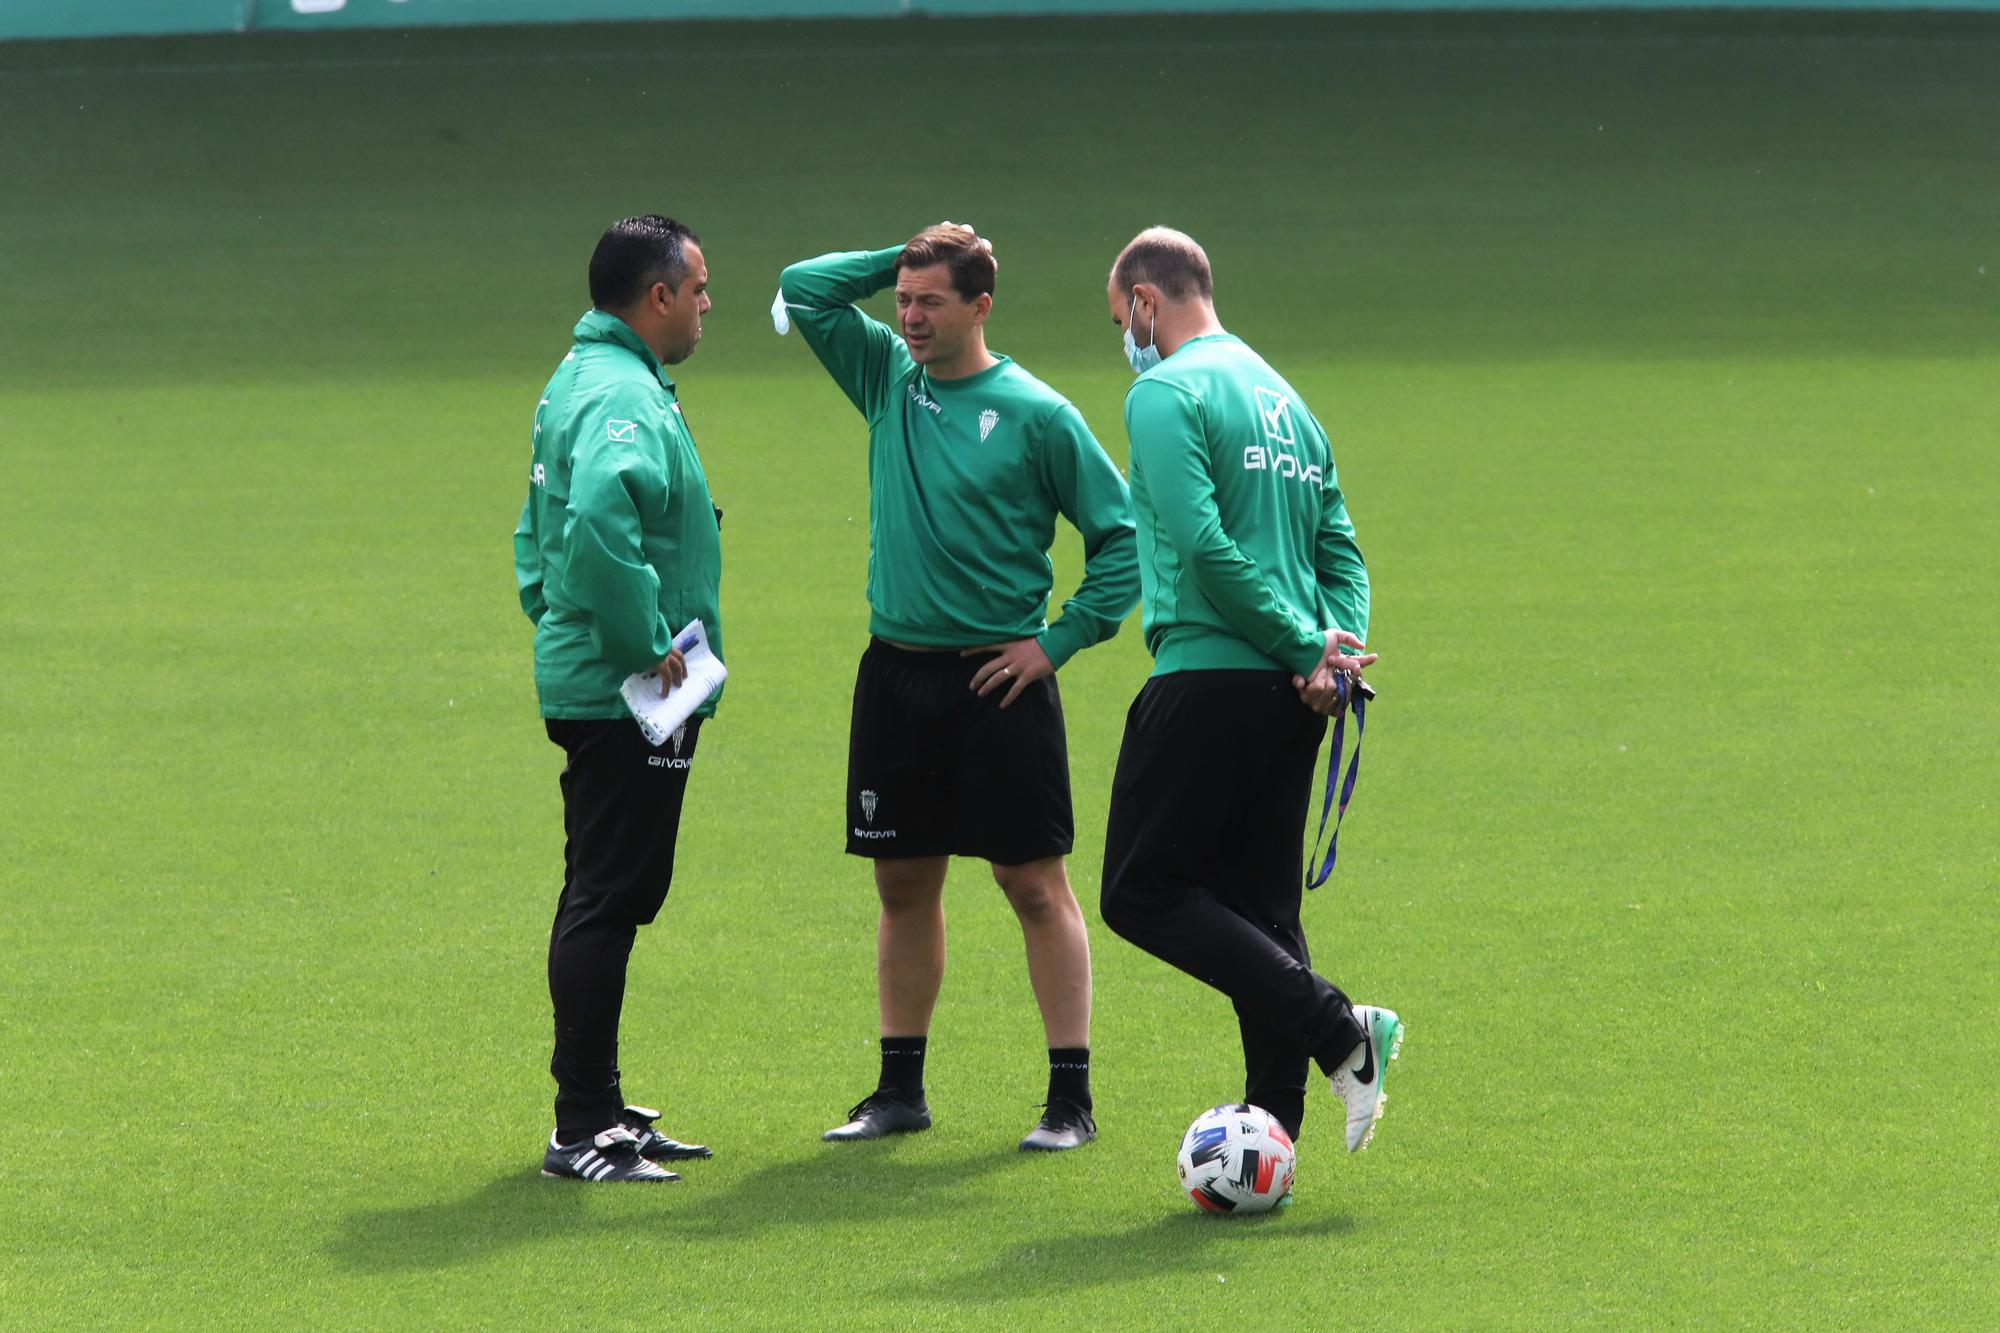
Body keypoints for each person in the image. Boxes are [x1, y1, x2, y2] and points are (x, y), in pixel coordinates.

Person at [773, 223, 1139, 1152]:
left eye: (930, 301)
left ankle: (1070, 1100)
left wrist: (1056, 643)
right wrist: (900, 249)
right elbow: (803, 287)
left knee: (1031, 883)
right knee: (902, 882)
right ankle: (900, 1090)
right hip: (895, 674)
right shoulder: (886, 378)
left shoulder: (1038, 414)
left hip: (998, 681)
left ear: (981, 306)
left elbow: (1123, 542)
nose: (910, 318)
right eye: (903, 301)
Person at [1097, 226, 1404, 1154]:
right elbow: (1340, 550)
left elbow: (1200, 544)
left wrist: (1301, 641)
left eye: (1121, 319)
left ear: (1147, 302)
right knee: (1262, 909)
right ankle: (1272, 1132)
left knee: (1140, 892)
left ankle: (1341, 1028)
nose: (1126, 337)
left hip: (1207, 675)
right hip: (1292, 698)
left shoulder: (1164, 392)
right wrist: (1329, 657)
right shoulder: (1287, 401)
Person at [513, 214, 722, 1183]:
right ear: (657, 296)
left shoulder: (578, 378)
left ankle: (597, 1100)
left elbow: (534, 530)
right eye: (699, 288)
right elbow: (595, 515)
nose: (705, 306)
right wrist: (645, 645)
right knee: (606, 896)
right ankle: (580, 1123)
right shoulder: (621, 396)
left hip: (593, 675)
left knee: (611, 889)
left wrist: (549, 610)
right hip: (623, 688)